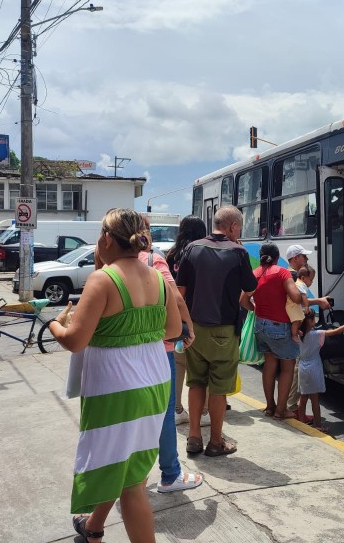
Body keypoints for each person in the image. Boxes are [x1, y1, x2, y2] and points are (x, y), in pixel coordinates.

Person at [47, 208, 182, 543]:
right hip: (153, 381)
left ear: (107, 238)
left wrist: (53, 324)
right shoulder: (156, 276)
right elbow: (174, 329)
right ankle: (93, 526)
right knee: (125, 465)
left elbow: (75, 340)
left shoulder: (103, 279)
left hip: (116, 388)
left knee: (131, 483)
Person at [176, 205, 257, 457]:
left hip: (195, 330)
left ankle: (193, 437)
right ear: (233, 227)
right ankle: (216, 442)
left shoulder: (192, 248)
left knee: (197, 383)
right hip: (224, 331)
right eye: (239, 228)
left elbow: (180, 294)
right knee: (219, 388)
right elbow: (250, 288)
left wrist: (185, 327)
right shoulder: (239, 252)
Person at [137, 218, 203, 494]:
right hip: (157, 347)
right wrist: (187, 328)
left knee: (134, 414)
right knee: (162, 413)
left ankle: (132, 477)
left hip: (125, 350)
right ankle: (170, 474)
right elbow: (175, 297)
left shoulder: (109, 263)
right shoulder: (153, 259)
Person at [241, 243, 304, 420]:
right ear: (277, 257)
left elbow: (243, 301)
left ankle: (270, 406)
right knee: (287, 366)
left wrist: (256, 309)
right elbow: (295, 296)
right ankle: (281, 410)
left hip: (260, 325)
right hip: (280, 326)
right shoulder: (282, 272)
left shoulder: (255, 273)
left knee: (269, 365)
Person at [165, 216, 208, 427]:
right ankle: (205, 411)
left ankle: (177, 409)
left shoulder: (171, 255)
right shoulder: (202, 253)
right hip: (199, 315)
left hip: (177, 316)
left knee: (179, 364)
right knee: (201, 366)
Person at [284, 245, 331, 420]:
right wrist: (317, 301)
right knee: (296, 368)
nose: (306, 260)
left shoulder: (294, 276)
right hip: (294, 326)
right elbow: (296, 301)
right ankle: (292, 407)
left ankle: (293, 407)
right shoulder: (292, 276)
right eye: (304, 257)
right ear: (295, 258)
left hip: (295, 325)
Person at [297, 311, 344, 432]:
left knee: (303, 397)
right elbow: (336, 332)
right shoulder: (317, 334)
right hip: (314, 367)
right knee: (315, 399)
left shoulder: (298, 335)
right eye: (313, 319)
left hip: (302, 367)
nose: (315, 321)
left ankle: (301, 423)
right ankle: (318, 425)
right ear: (310, 321)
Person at [285, 265, 314, 343]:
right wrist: (306, 306)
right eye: (311, 280)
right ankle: (294, 335)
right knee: (296, 320)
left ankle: (296, 330)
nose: (312, 282)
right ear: (303, 278)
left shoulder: (299, 283)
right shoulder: (301, 285)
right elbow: (304, 296)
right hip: (292, 306)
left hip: (294, 306)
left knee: (300, 318)